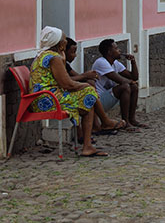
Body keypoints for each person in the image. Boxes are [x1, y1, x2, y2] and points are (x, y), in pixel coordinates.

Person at [29, 26, 107, 157]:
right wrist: (85, 86)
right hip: (47, 100)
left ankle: (92, 135)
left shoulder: (44, 55)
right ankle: (89, 142)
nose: (66, 41)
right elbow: (67, 84)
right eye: (64, 39)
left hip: (43, 98)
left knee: (87, 95)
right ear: (58, 42)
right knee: (88, 93)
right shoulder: (54, 58)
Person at [64, 38, 126, 133]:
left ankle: (97, 126)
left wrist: (88, 77)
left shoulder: (65, 64)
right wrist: (84, 76)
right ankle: (104, 122)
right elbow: (63, 81)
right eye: (72, 52)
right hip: (59, 94)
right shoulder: (57, 62)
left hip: (67, 91)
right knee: (89, 92)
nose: (75, 55)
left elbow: (77, 76)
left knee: (90, 87)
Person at [92, 39, 147, 129]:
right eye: (116, 48)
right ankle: (125, 122)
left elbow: (134, 77)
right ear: (109, 52)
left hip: (110, 96)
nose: (119, 51)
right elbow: (119, 80)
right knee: (125, 87)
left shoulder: (115, 63)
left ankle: (132, 119)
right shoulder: (101, 62)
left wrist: (133, 61)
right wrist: (130, 82)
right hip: (100, 101)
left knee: (134, 87)